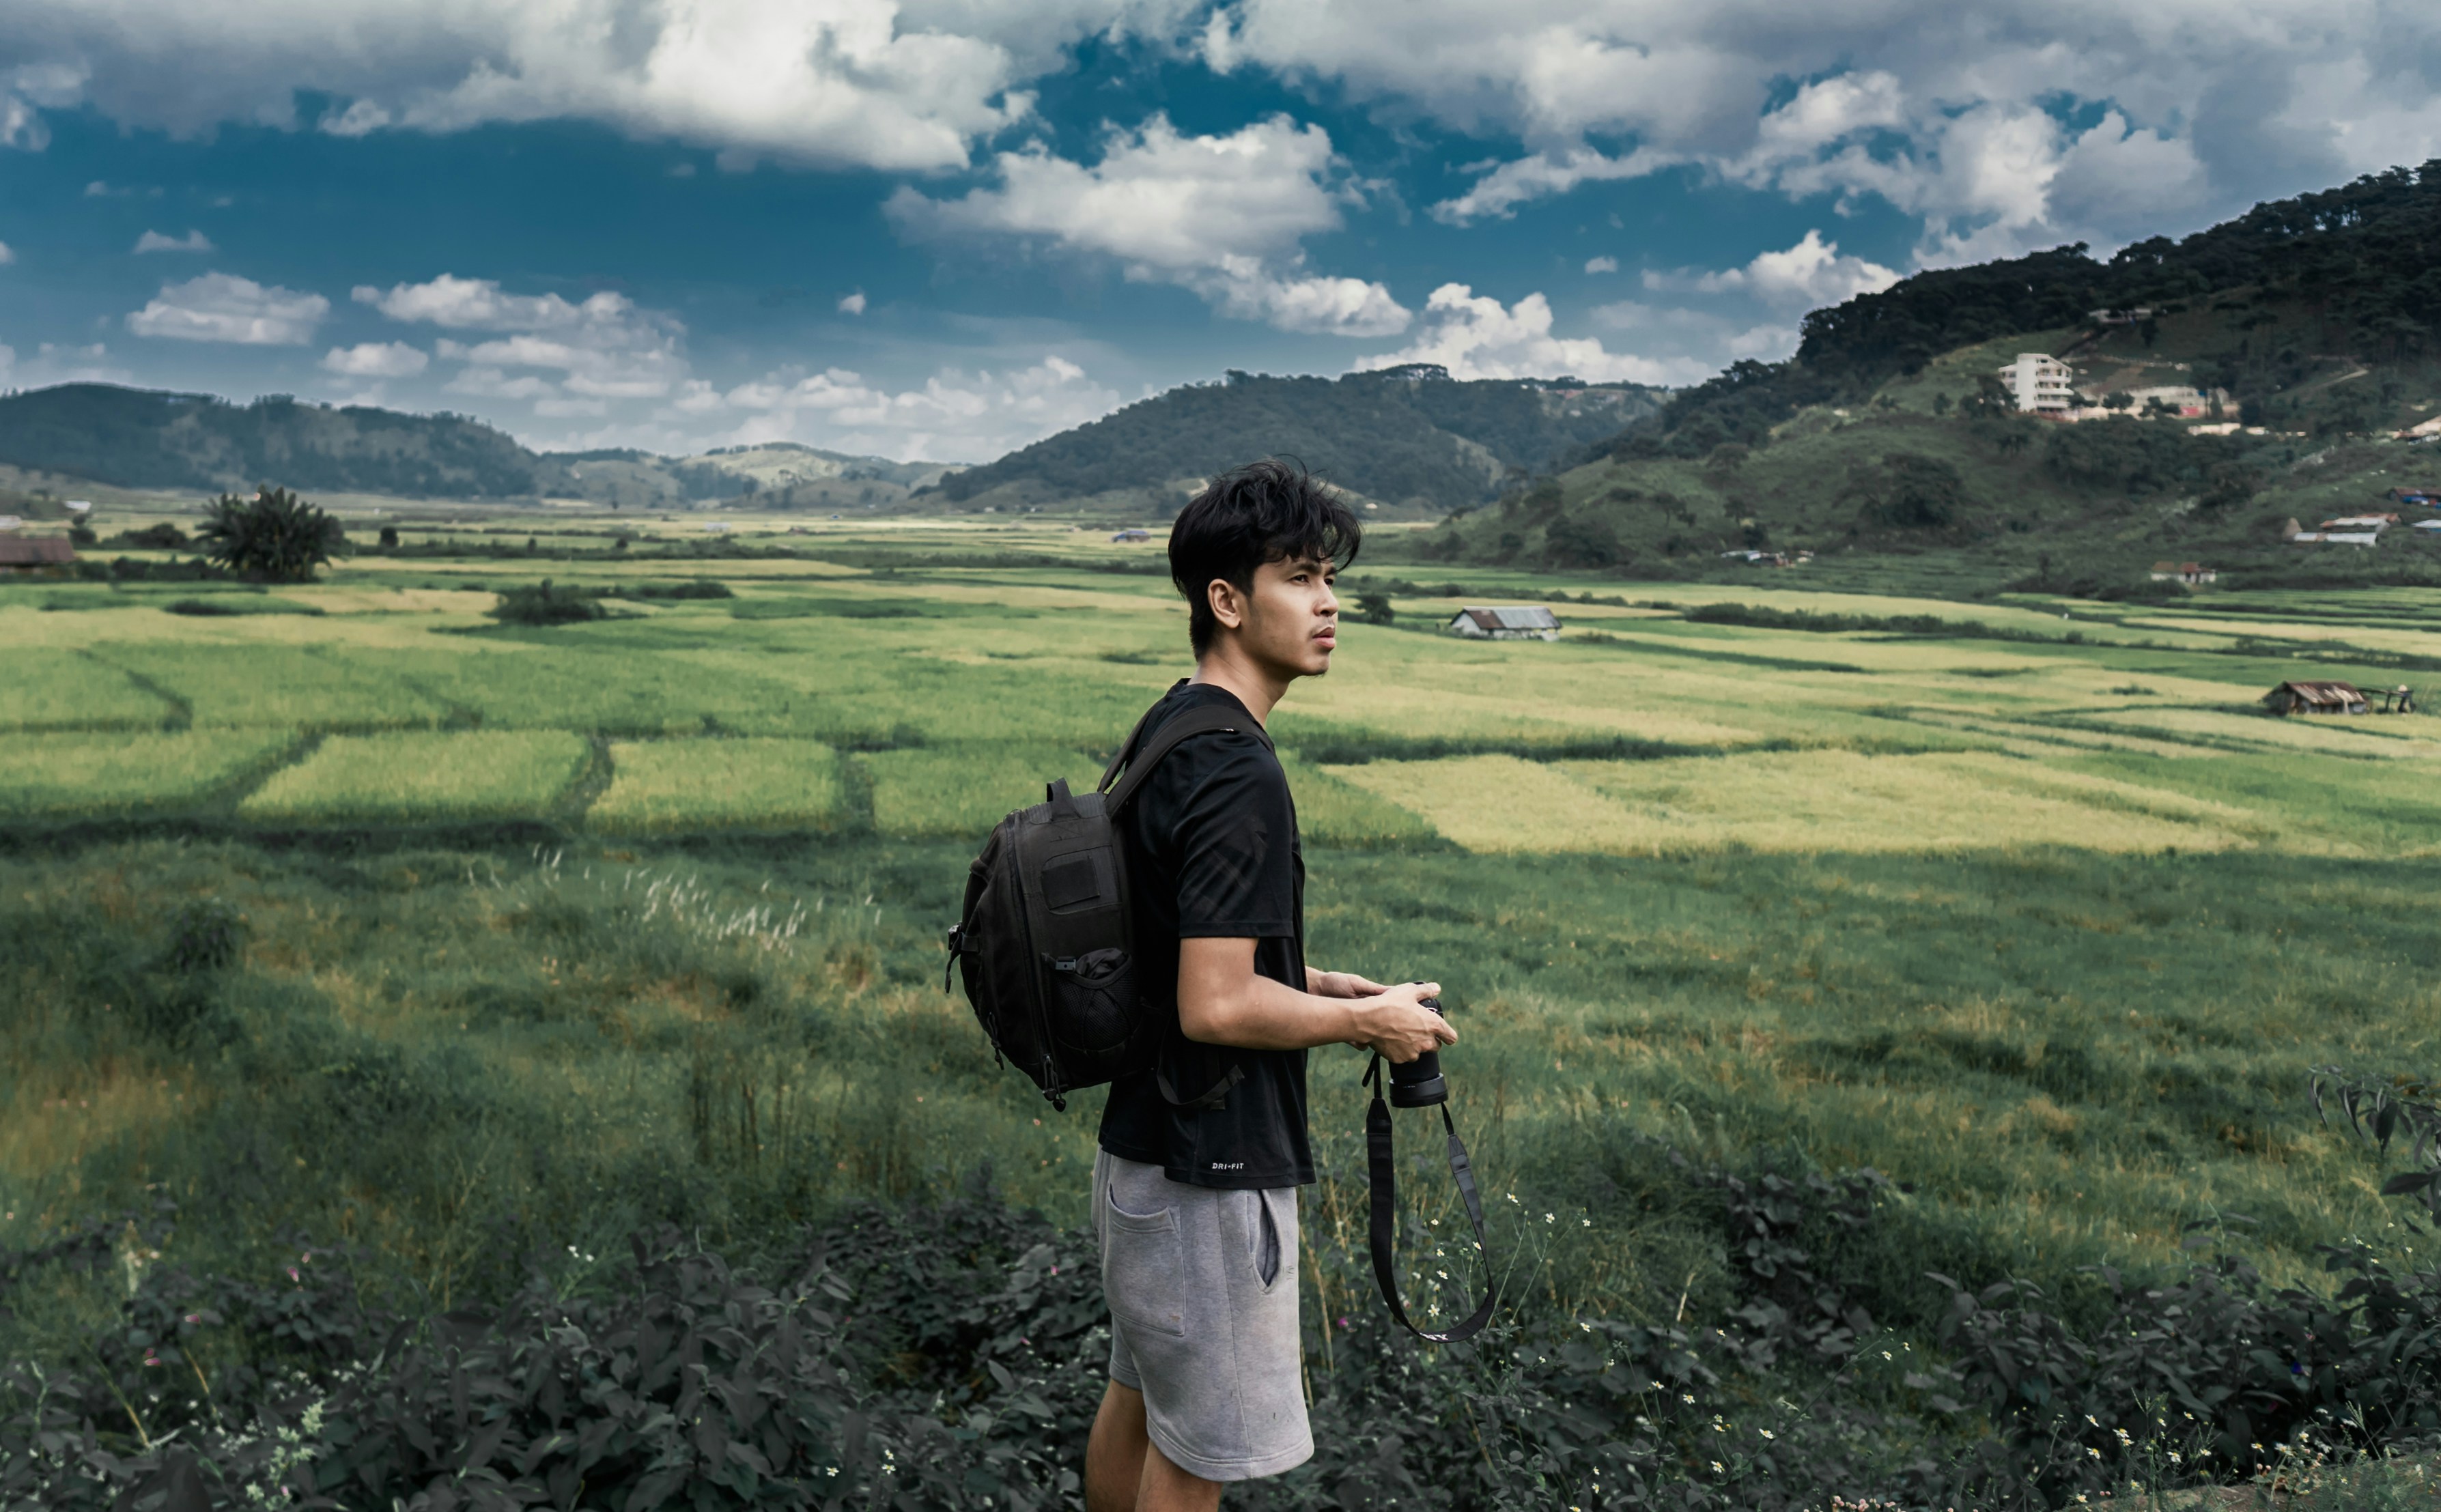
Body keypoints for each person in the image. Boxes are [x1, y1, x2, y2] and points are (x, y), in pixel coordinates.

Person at [1084, 460, 1456, 1512]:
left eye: (1328, 576)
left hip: (1141, 1154)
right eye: (1298, 576)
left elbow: (1194, 957)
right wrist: (1362, 1023)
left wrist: (1329, 985)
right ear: (1228, 601)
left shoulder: (1175, 723)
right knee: (1201, 1457)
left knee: (1140, 1403)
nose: (1329, 602)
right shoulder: (1238, 766)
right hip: (1210, 1166)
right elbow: (1215, 1005)